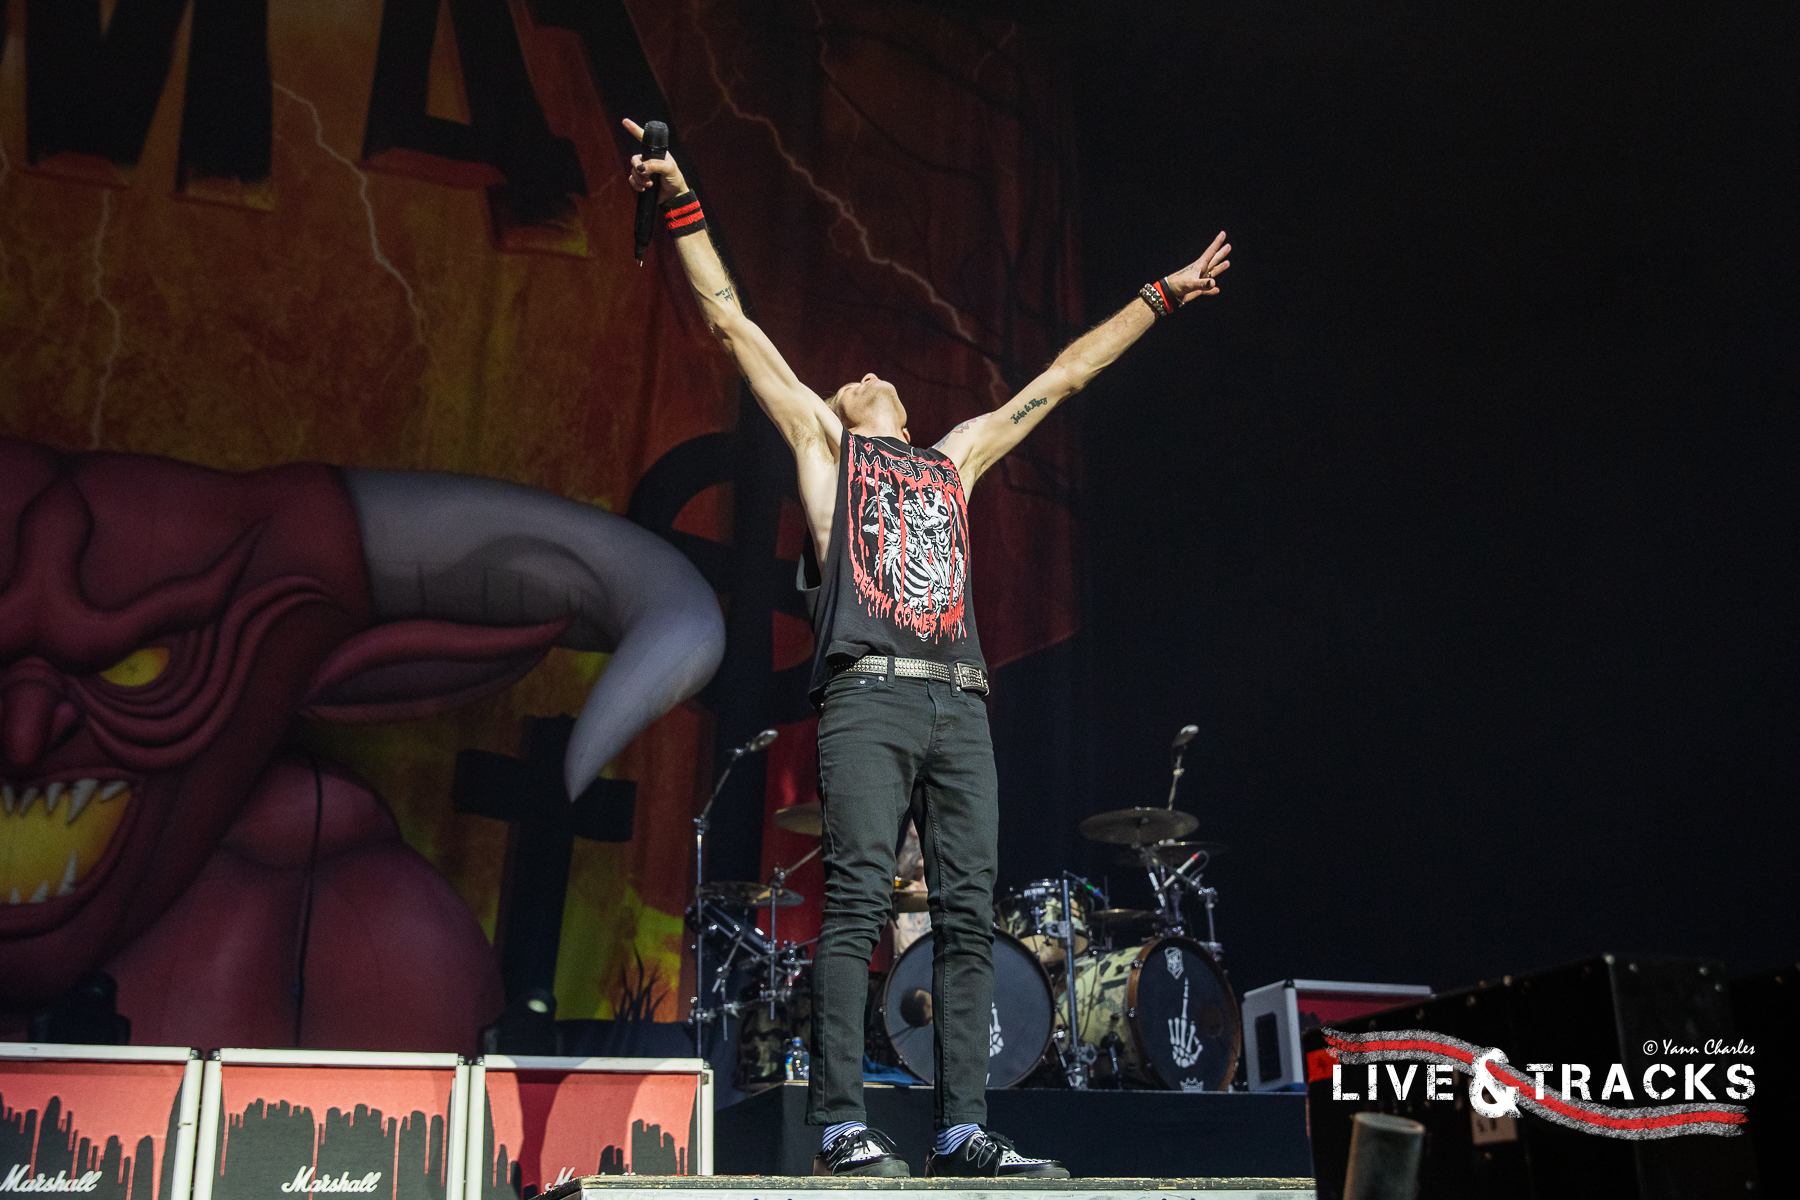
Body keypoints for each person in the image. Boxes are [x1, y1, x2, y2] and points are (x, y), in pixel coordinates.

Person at [625, 119, 1230, 1178]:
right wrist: (678, 195)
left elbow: (1065, 375)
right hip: (870, 697)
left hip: (960, 702)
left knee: (966, 914)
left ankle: (962, 1128)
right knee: (858, 898)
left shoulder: (957, 457)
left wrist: (1161, 297)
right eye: (850, 377)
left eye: (874, 376)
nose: (864, 371)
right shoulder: (825, 445)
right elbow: (730, 321)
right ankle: (841, 1124)